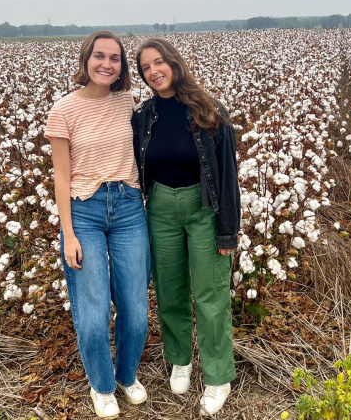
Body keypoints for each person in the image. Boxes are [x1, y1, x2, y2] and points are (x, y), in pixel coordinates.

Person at [132, 38, 240, 417]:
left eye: (159, 62)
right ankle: (180, 358)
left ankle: (217, 376)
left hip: (203, 208)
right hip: (160, 207)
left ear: (174, 64)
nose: (154, 71)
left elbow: (228, 176)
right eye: (146, 67)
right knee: (170, 288)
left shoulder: (209, 111)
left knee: (210, 295)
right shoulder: (143, 115)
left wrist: (228, 230)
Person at [45, 31, 150, 419]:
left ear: (122, 66)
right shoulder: (64, 111)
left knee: (136, 308)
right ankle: (102, 385)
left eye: (115, 58)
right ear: (86, 59)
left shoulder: (128, 102)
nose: (107, 64)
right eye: (99, 56)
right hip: (84, 212)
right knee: (92, 312)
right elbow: (61, 177)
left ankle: (125, 375)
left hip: (128, 209)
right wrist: (68, 233)